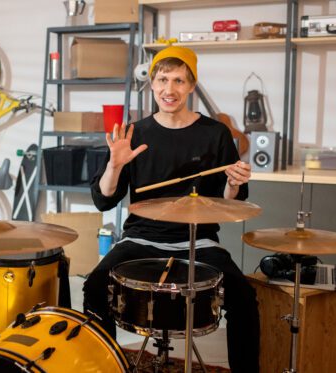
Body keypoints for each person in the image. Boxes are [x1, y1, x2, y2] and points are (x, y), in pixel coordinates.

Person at [83, 46, 260, 373]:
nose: (170, 89)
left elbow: (230, 202)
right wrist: (115, 165)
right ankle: (104, 367)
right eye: (163, 80)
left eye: (179, 81)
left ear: (192, 86)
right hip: (141, 239)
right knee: (94, 285)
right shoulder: (135, 134)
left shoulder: (215, 133)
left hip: (199, 240)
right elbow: (104, 199)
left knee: (244, 297)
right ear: (152, 84)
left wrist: (233, 183)